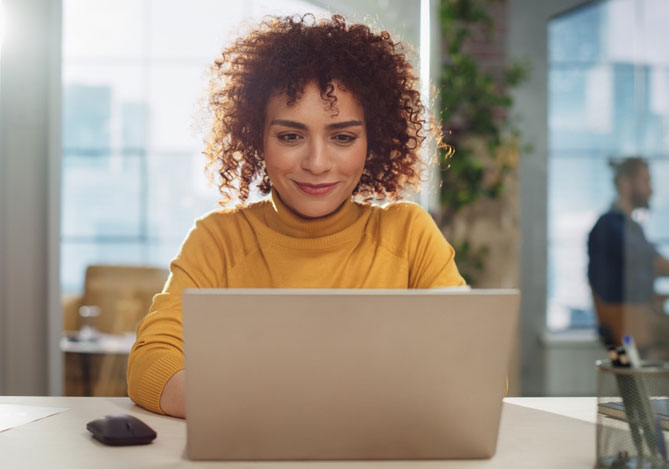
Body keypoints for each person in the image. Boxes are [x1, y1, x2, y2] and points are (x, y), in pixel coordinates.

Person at [127, 14, 466, 418]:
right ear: (257, 139)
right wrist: (283, 407)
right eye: (291, 136)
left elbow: (473, 371)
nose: (318, 163)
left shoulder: (409, 234)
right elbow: (151, 364)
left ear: (373, 141)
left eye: (343, 137)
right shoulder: (218, 239)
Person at [587, 157, 669, 352]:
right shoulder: (610, 226)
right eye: (645, 181)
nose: (651, 190)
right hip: (628, 322)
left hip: (641, 316)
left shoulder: (632, 228)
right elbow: (654, 263)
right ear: (626, 183)